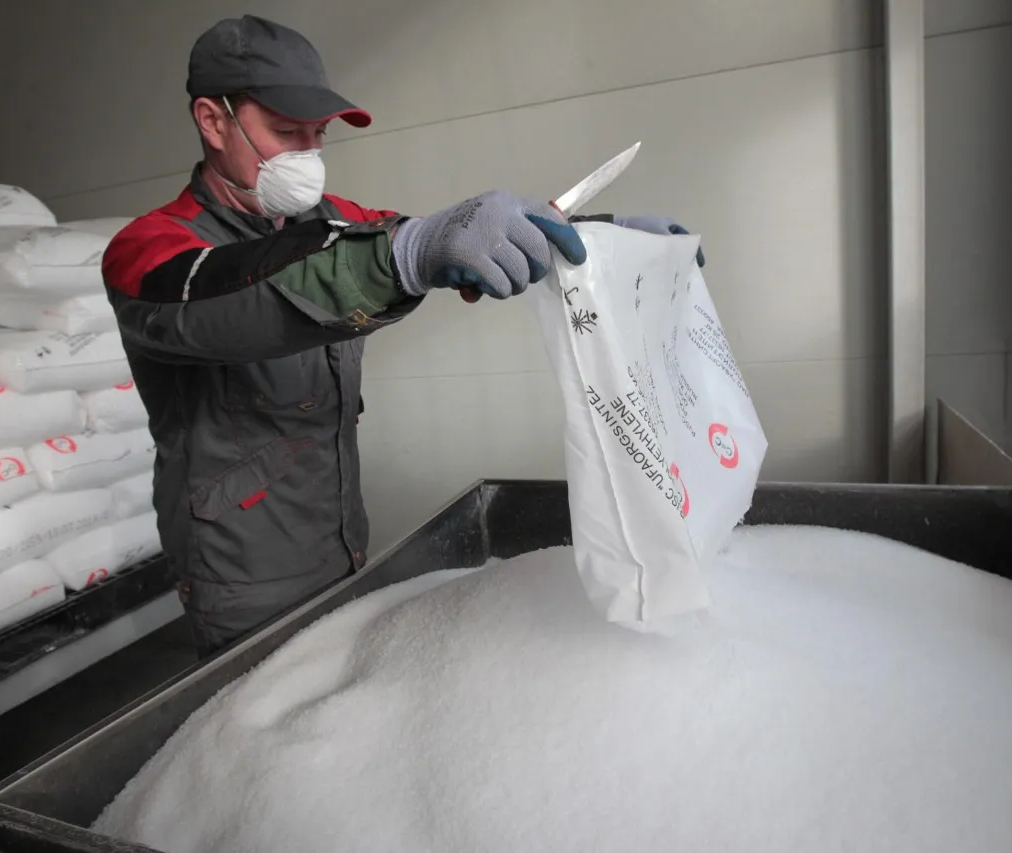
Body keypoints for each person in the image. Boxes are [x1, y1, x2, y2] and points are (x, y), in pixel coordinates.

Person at [103, 14, 706, 656]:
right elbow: (248, 296)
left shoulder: (330, 220)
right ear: (213, 120)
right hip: (239, 572)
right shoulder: (151, 250)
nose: (308, 156)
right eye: (286, 132)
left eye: (319, 135)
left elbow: (435, 235)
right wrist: (407, 255)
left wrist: (598, 241)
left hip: (341, 536)